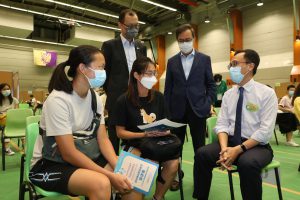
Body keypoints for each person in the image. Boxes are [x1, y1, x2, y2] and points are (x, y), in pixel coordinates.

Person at [29, 45, 132, 200]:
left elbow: (103, 139)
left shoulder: (94, 97)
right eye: (100, 67)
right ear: (82, 68)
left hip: (85, 154)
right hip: (50, 165)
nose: (104, 72)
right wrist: (109, 175)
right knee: (101, 183)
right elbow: (68, 153)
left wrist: (117, 163)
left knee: (129, 174)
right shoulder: (58, 100)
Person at [193, 49, 277, 200]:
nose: (231, 68)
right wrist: (225, 148)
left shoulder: (266, 93)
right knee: (202, 154)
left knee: (248, 163)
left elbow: (265, 132)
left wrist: (238, 150)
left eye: (235, 64)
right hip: (230, 142)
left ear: (250, 66)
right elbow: (222, 124)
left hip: (256, 146)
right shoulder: (229, 94)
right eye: (230, 65)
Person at [113, 57, 178, 200]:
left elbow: (167, 124)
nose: (153, 77)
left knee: (173, 164)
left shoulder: (159, 97)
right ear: (136, 75)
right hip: (135, 144)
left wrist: (165, 131)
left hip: (157, 142)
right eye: (149, 73)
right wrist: (144, 135)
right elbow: (120, 133)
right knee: (146, 168)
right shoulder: (123, 100)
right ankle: (123, 192)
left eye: (155, 73)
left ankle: (158, 197)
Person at [164, 24, 216, 190]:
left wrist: (207, 103)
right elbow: (168, 89)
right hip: (176, 111)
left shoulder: (204, 59)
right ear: (177, 41)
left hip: (198, 110)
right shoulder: (171, 62)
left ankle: (199, 183)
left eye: (187, 39)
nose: (184, 42)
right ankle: (175, 177)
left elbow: (210, 84)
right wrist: (167, 111)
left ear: (193, 39)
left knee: (199, 149)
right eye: (181, 40)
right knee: (174, 149)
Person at [101, 9, 147, 154]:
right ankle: (113, 171)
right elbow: (104, 74)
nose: (134, 29)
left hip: (137, 100)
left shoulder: (141, 46)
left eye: (136, 25)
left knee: (136, 137)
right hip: (116, 100)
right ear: (120, 25)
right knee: (114, 138)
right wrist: (113, 93)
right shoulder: (109, 46)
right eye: (130, 26)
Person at [0, 83, 19, 156]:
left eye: (8, 89)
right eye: (4, 89)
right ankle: (6, 148)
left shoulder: (14, 100)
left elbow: (17, 112)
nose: (6, 90)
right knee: (6, 126)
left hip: (12, 120)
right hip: (2, 120)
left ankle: (26, 148)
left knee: (24, 127)